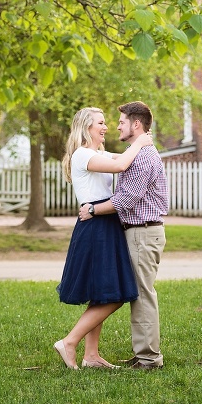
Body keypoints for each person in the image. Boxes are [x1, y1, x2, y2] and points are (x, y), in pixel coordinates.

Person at [53, 107, 152, 370]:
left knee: (101, 292)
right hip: (95, 222)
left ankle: (92, 355)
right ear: (87, 128)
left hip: (105, 221)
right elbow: (121, 165)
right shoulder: (83, 154)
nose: (106, 127)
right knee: (113, 295)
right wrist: (141, 140)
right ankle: (69, 342)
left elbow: (126, 159)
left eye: (106, 122)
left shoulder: (98, 153)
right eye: (101, 122)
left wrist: (139, 144)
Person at [79, 101, 169, 371]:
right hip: (138, 232)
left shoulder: (143, 157)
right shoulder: (137, 152)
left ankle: (149, 359)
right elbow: (117, 165)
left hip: (143, 232)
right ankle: (144, 354)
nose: (116, 126)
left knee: (142, 294)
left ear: (136, 124)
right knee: (139, 294)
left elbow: (126, 199)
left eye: (121, 121)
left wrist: (93, 210)